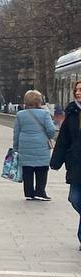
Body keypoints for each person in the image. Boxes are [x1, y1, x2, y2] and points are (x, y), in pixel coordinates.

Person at [50, 80, 81, 249]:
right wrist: (56, 161)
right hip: (76, 163)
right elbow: (63, 139)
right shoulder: (72, 112)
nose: (77, 93)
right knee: (74, 198)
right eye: (76, 90)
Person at [15, 90, 58, 201]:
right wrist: (49, 136)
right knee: (42, 169)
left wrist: (16, 147)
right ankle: (40, 192)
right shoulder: (45, 114)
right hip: (41, 146)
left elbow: (16, 132)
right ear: (40, 101)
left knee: (27, 169)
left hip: (25, 146)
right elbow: (51, 130)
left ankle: (29, 193)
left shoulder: (20, 115)